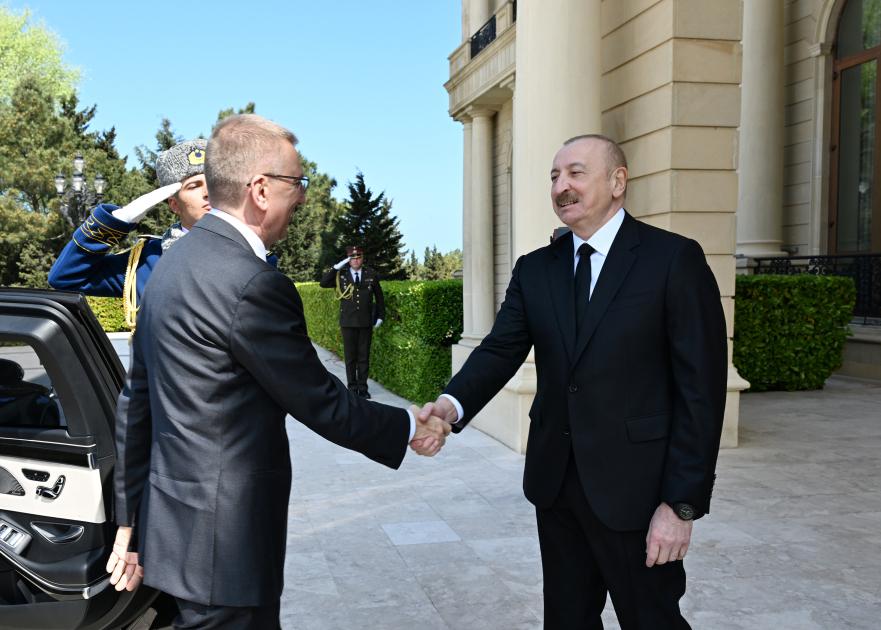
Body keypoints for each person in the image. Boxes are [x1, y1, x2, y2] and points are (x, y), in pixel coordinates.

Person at [105, 114, 450, 630]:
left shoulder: (172, 266)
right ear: (261, 190)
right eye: (297, 181)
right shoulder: (251, 282)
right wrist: (409, 425)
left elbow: (137, 404)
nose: (304, 195)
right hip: (228, 546)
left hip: (177, 532)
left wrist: (130, 518)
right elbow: (319, 400)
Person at [417, 135, 728, 629]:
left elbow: (702, 392)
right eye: (554, 176)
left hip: (639, 493)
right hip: (556, 485)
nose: (562, 186)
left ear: (618, 182)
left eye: (576, 173)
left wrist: (681, 505)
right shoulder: (535, 269)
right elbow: (499, 350)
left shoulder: (673, 259)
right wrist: (450, 405)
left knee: (652, 622)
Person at [48, 139, 279, 330]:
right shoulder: (144, 262)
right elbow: (65, 278)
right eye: (194, 186)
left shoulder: (257, 258)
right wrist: (118, 220)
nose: (208, 193)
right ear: (174, 205)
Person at [319, 246, 385, 398]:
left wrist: (380, 316)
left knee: (363, 356)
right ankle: (352, 388)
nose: (356, 261)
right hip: (348, 321)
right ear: (348, 260)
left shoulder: (371, 274)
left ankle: (363, 388)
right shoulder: (341, 274)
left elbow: (379, 297)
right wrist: (336, 267)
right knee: (350, 357)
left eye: (358, 257)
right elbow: (323, 283)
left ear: (362, 258)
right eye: (352, 258)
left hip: (365, 321)